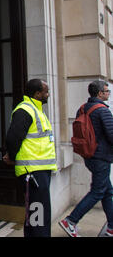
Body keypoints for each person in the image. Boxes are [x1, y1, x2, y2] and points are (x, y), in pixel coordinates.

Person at [3, 79, 58, 237]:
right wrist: (13, 157)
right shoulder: (25, 110)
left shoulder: (37, 109)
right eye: (46, 91)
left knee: (36, 215)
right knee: (39, 215)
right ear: (37, 93)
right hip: (32, 172)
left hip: (39, 171)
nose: (48, 94)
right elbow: (12, 139)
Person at [59, 80, 113, 237]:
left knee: (107, 191)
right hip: (101, 158)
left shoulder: (82, 109)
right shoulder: (103, 111)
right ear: (99, 93)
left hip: (89, 156)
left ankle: (111, 227)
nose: (108, 93)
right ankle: (71, 221)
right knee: (97, 191)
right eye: (107, 91)